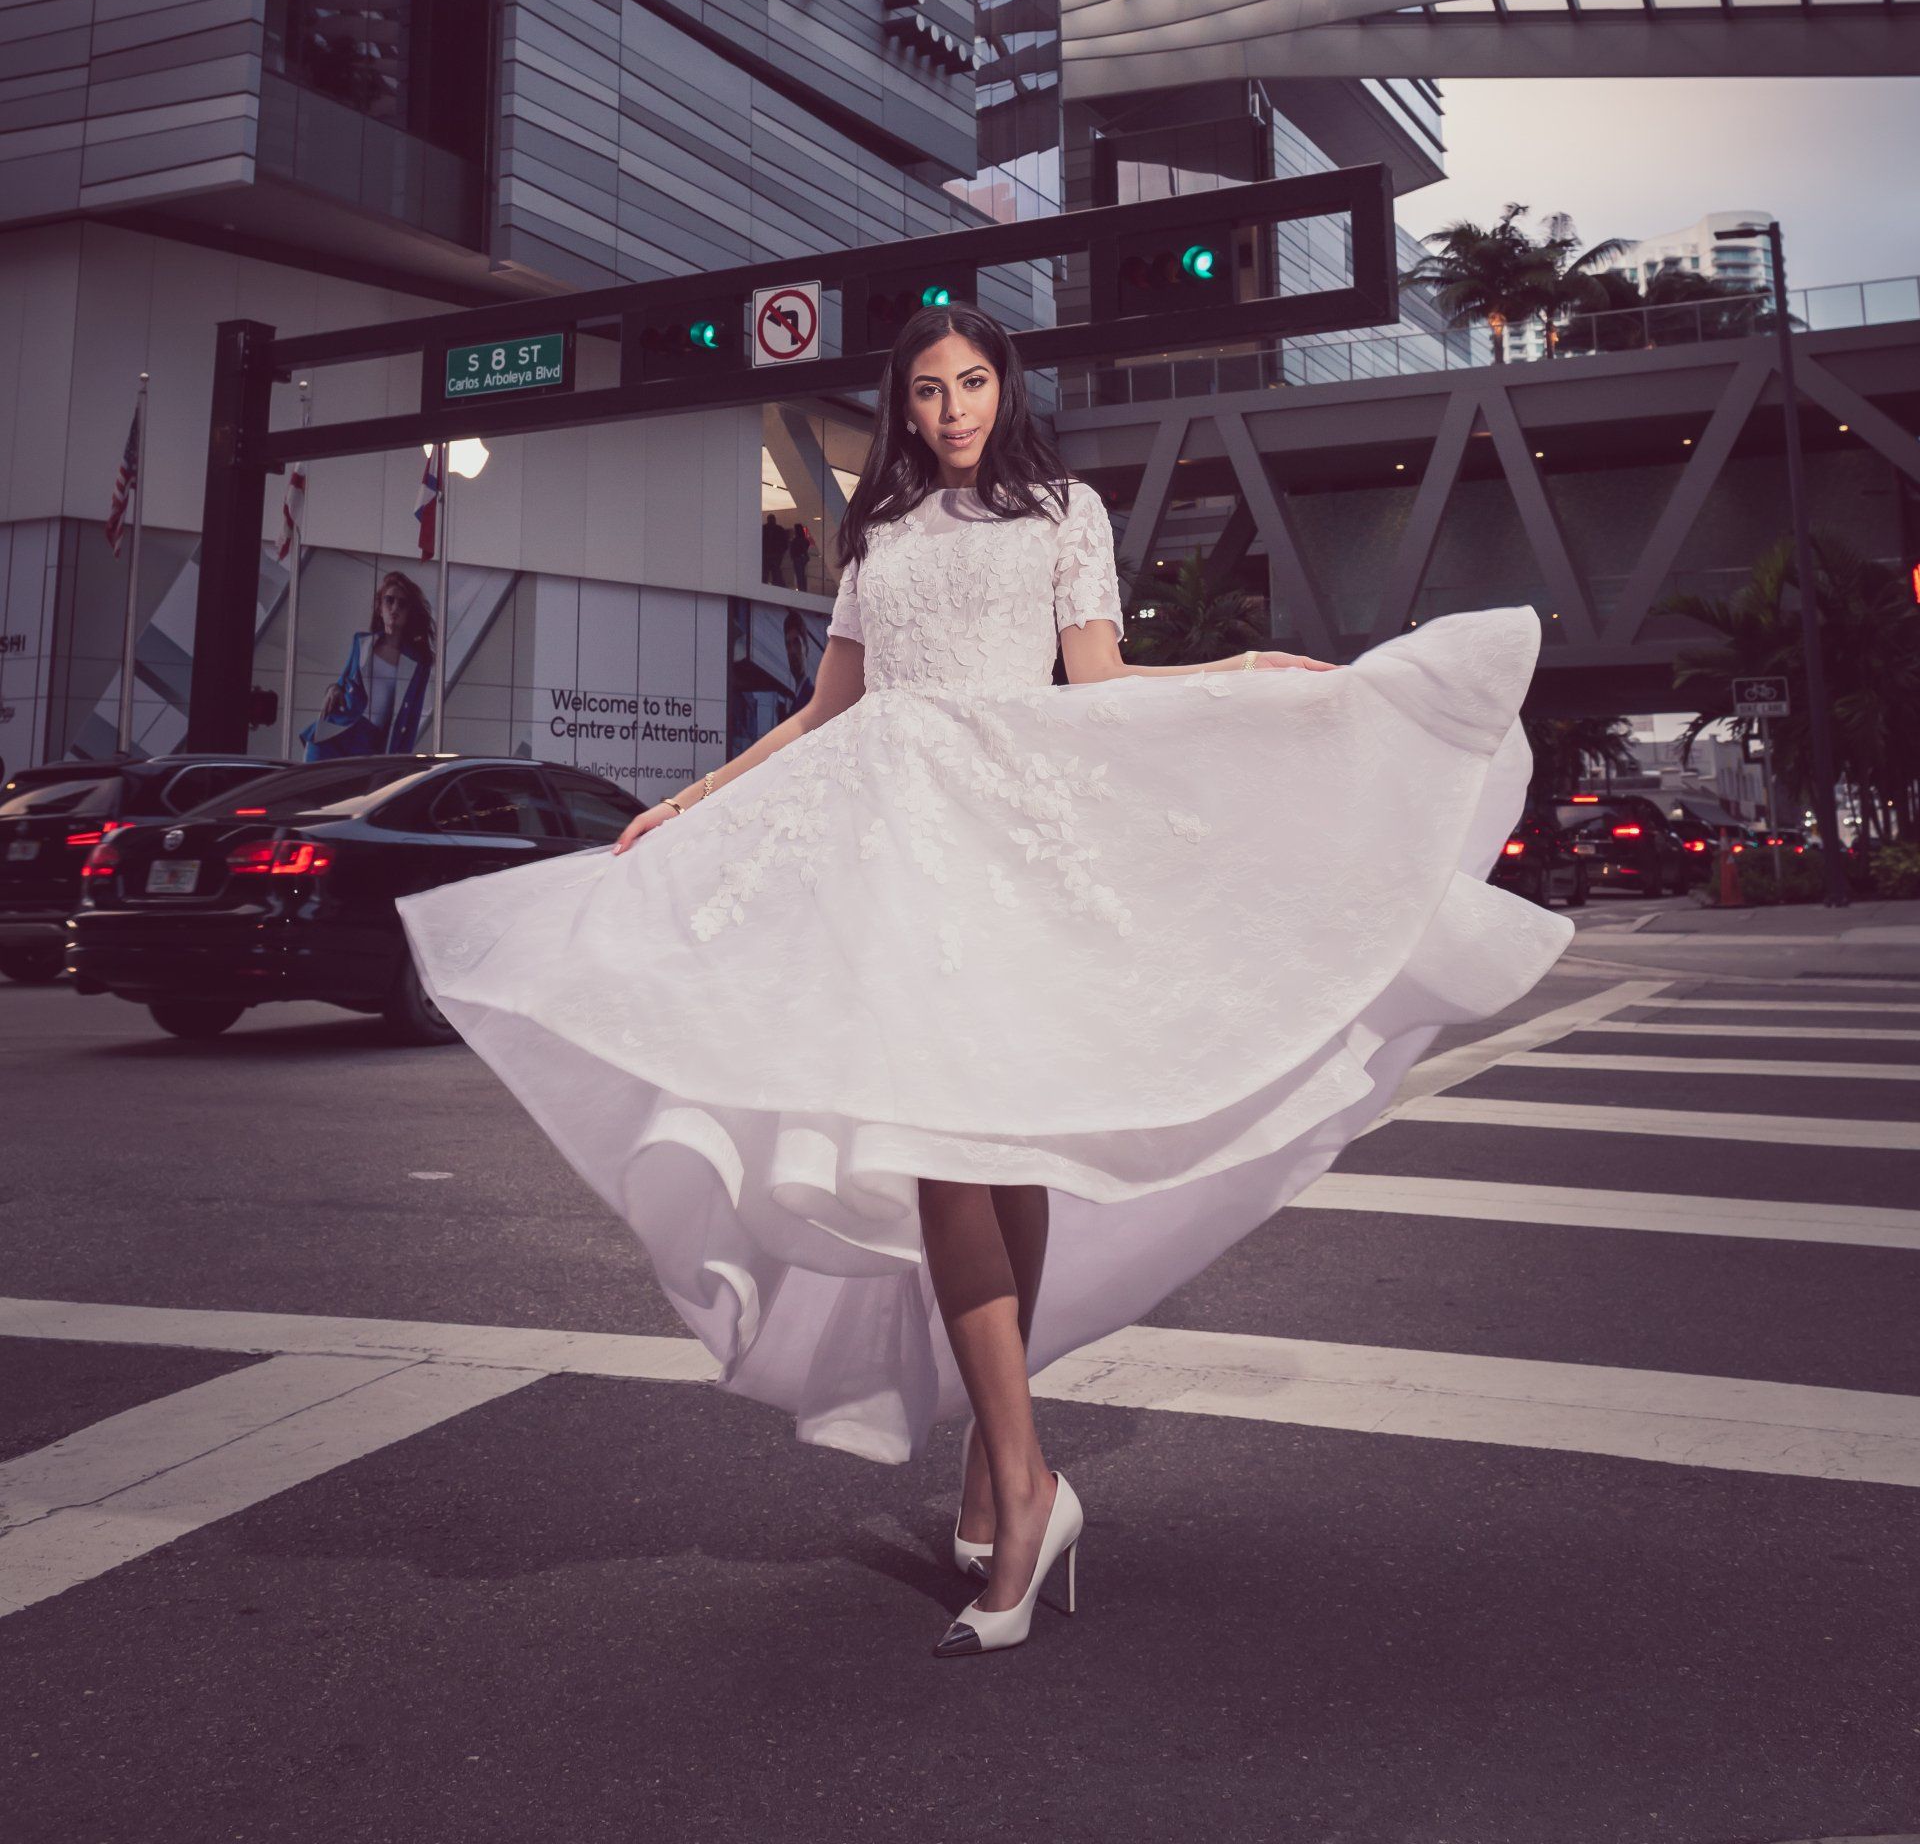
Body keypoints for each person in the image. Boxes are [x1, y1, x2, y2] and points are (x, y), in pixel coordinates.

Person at [402, 307, 1568, 1657]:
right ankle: (1015, 1477)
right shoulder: (880, 531)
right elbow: (827, 708)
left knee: (989, 1158)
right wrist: (692, 798)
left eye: (970, 384)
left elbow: (1098, 684)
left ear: (1004, 389)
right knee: (952, 1156)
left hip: (1007, 846)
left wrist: (1240, 675)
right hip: (891, 858)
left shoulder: (1062, 509)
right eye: (926, 392)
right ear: (899, 408)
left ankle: (1010, 1478)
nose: (951, 409)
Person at [303, 570, 434, 759]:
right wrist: (333, 689)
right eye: (389, 600)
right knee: (310, 784)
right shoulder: (362, 643)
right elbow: (343, 681)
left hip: (372, 744)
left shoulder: (418, 663)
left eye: (402, 603)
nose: (394, 607)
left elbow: (411, 720)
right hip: (336, 730)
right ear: (380, 608)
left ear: (409, 613)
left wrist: (400, 762)